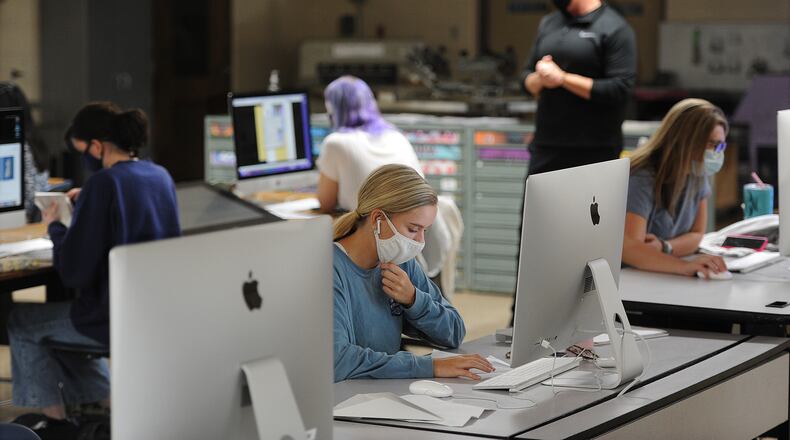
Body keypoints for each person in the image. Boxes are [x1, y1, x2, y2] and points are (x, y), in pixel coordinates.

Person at [7, 102, 181, 434]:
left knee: (22, 323)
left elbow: (73, 271)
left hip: (108, 317)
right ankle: (109, 407)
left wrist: (56, 226)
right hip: (152, 313)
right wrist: (89, 202)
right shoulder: (159, 175)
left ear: (98, 147)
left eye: (83, 150)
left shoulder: (104, 184)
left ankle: (54, 425)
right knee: (56, 327)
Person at [332, 164, 493, 382]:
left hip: (384, 392)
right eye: (413, 229)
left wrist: (414, 300)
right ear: (378, 220)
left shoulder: (400, 262)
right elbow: (339, 361)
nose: (420, 242)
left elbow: (454, 332)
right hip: (343, 400)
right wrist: (430, 366)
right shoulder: (331, 269)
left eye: (424, 231)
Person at [520, 0, 636, 175]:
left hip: (595, 150)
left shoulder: (615, 27)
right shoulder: (549, 23)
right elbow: (524, 80)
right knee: (536, 203)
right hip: (546, 145)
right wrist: (541, 79)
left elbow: (620, 88)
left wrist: (563, 79)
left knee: (592, 203)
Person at [622, 98, 728, 278]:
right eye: (712, 144)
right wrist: (684, 266)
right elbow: (631, 248)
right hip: (632, 278)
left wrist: (665, 247)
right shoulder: (642, 176)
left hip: (660, 275)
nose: (717, 153)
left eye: (720, 145)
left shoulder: (697, 173)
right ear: (686, 141)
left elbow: (697, 234)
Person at [316, 75, 421, 213]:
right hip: (412, 227)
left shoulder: (336, 142)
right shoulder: (397, 136)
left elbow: (326, 203)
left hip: (374, 229)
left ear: (332, 109)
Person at [0, 82, 50, 222]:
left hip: (19, 219)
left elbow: (25, 199)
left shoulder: (17, 147)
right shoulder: (34, 140)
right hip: (32, 219)